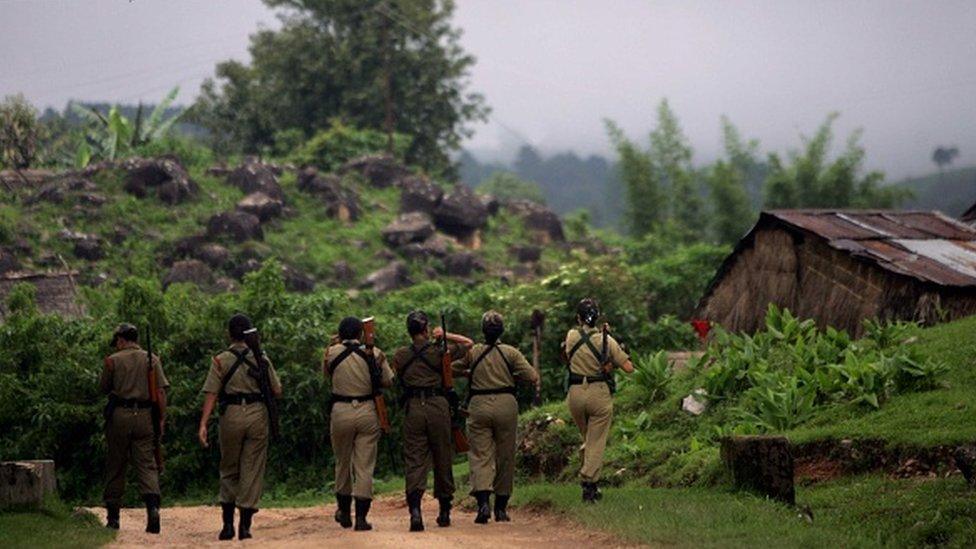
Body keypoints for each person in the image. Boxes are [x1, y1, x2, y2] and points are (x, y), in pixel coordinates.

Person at [198, 313, 282, 541]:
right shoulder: (261, 357)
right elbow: (277, 390)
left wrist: (203, 423)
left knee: (229, 467)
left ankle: (227, 526)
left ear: (229, 334)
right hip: (257, 414)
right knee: (252, 469)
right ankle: (245, 527)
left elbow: (212, 393)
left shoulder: (220, 360)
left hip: (230, 416)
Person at [389, 310, 473, 532]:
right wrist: (446, 335)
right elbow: (468, 344)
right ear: (426, 330)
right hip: (438, 406)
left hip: (413, 408)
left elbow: (392, 378)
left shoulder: (400, 355)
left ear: (409, 331)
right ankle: (444, 512)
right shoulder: (439, 352)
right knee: (442, 456)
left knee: (415, 459)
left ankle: (415, 512)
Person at [453, 310, 538, 524]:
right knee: (505, 455)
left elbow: (450, 369)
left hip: (478, 406)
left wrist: (467, 372)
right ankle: (501, 508)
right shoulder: (511, 353)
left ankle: (483, 504)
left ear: (483, 331)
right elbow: (532, 376)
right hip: (506, 405)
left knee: (480, 454)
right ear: (502, 330)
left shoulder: (472, 352)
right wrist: (512, 377)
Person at [323, 316, 394, 531]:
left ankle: (344, 512)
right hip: (367, 411)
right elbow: (389, 381)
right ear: (361, 334)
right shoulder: (375, 353)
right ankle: (361, 518)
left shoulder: (330, 353)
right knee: (364, 466)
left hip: (341, 410)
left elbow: (327, 375)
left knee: (342, 462)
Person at [563, 298, 634, 503]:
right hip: (598, 393)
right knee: (596, 441)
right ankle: (588, 483)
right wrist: (610, 355)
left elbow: (570, 356)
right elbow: (628, 368)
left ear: (578, 318)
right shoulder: (606, 340)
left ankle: (592, 483)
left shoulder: (571, 336)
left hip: (575, 393)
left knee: (588, 439)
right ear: (598, 317)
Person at [100, 323, 168, 533]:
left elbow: (104, 388)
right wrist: (161, 419)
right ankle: (153, 510)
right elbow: (161, 393)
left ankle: (113, 518)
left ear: (121, 340)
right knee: (147, 464)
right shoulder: (152, 359)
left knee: (116, 465)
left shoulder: (112, 361)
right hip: (146, 416)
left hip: (120, 416)